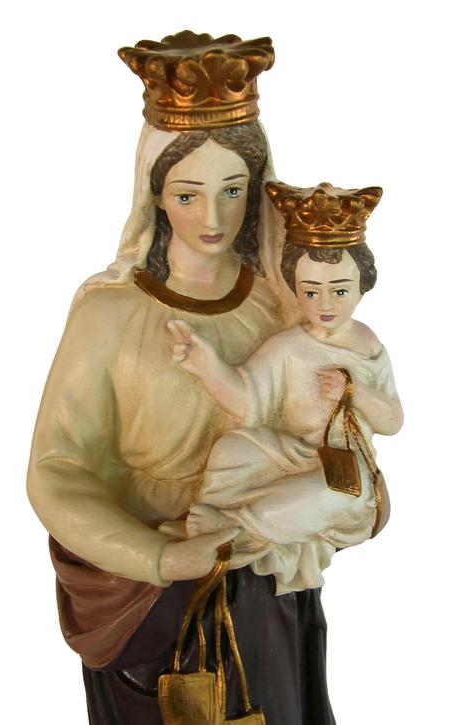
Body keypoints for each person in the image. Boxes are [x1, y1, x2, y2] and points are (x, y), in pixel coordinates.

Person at [27, 33, 336, 725]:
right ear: (155, 195)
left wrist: (347, 493)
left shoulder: (284, 305)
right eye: (188, 194)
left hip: (265, 578)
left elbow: (332, 434)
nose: (214, 218)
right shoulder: (110, 315)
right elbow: (56, 469)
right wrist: (162, 557)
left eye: (233, 191)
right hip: (149, 599)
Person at [167, 181, 403, 594]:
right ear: (295, 288)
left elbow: (393, 421)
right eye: (311, 291)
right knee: (233, 448)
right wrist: (206, 366)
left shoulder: (367, 346)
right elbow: (248, 399)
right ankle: (228, 516)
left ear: (362, 287)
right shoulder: (287, 347)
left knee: (333, 495)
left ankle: (233, 528)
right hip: (291, 453)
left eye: (339, 290)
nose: (325, 304)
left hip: (345, 467)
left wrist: (353, 392)